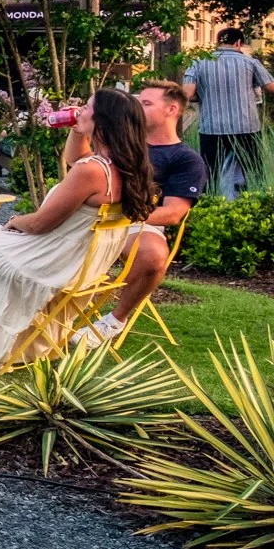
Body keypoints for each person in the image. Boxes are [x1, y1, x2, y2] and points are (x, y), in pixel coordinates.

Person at [0, 88, 157, 368]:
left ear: (103, 121)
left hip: (43, 266)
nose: (80, 111)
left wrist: (15, 221)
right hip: (77, 269)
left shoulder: (91, 171)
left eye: (87, 108)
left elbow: (41, 223)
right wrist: (78, 132)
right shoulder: (124, 169)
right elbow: (75, 160)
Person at [73, 79, 209, 349]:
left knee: (154, 254)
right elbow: (78, 163)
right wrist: (78, 131)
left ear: (171, 110)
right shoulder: (123, 143)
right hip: (90, 219)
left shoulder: (185, 158)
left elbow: (171, 214)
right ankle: (49, 314)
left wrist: (122, 215)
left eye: (146, 103)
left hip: (137, 222)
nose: (137, 107)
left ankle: (112, 321)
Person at [185, 28, 274, 195]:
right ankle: (250, 206)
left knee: (210, 175)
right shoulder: (251, 62)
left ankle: (211, 207)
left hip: (212, 128)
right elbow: (270, 87)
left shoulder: (198, 63)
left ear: (218, 42)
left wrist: (204, 94)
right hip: (246, 128)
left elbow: (187, 94)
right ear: (238, 43)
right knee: (252, 173)